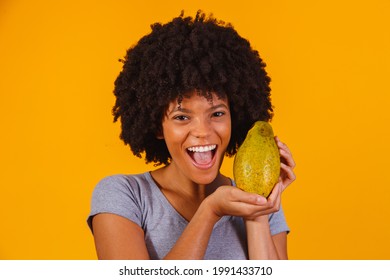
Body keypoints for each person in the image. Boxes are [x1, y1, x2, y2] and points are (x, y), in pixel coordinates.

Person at [87, 11, 296, 260]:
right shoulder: (125, 195)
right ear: (157, 127)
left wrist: (257, 212)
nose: (203, 132)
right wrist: (209, 211)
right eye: (182, 117)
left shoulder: (263, 199)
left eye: (217, 113)